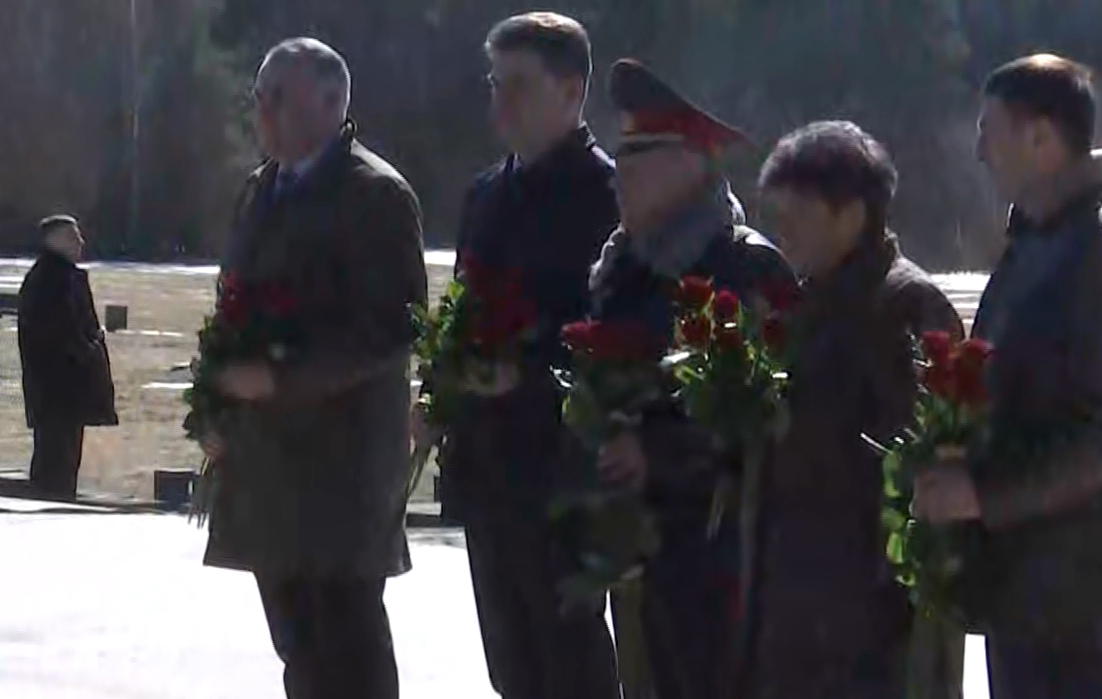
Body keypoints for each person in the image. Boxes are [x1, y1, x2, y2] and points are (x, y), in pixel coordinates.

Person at [914, 54, 1102, 699]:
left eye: (989, 130)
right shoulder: (1042, 240)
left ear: (1041, 138)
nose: (979, 151)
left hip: (1082, 603)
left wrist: (984, 494)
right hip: (1031, 588)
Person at [196, 38, 427, 699]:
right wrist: (217, 408)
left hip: (340, 470)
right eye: (258, 97)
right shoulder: (259, 190)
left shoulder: (374, 193)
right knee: (299, 650)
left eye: (279, 98)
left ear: (332, 104)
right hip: (269, 465)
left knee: (348, 650)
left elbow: (390, 326)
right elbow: (231, 310)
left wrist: (282, 380)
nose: (261, 113)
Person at [588, 58, 796, 699]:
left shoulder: (743, 267)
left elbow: (769, 422)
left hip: (720, 553)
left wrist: (653, 452)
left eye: (637, 153)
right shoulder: (625, 266)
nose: (617, 172)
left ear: (690, 162)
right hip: (642, 547)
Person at [430, 12, 622, 699]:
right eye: (494, 83)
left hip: (564, 467)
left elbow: (617, 336)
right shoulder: (485, 194)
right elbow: (460, 312)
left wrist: (532, 369)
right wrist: (440, 392)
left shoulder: (610, 195)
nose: (500, 101)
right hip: (488, 464)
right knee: (510, 663)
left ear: (571, 93)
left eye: (519, 85)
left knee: (570, 660)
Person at [746, 121, 964, 698]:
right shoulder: (807, 301)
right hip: (794, 597)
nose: (782, 235)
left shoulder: (905, 306)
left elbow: (916, 464)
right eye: (777, 219)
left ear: (852, 214)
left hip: (865, 612)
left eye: (797, 218)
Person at [17, 214, 117, 501]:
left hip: (67, 392)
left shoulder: (63, 276)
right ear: (53, 241)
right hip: (57, 391)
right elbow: (53, 333)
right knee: (53, 470)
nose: (80, 242)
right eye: (72, 236)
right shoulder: (48, 280)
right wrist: (86, 348)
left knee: (64, 465)